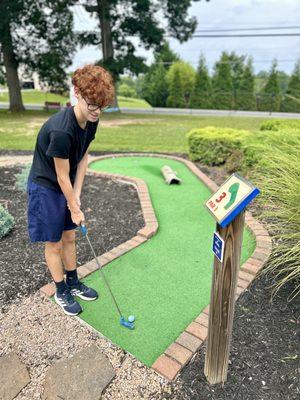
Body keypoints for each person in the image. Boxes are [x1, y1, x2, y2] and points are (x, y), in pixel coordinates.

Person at [26, 64, 115, 316]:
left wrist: (77, 194)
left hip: (65, 185)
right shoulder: (61, 131)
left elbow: (84, 157)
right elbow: (60, 175)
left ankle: (73, 281)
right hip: (47, 187)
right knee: (54, 242)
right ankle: (60, 289)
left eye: (102, 106)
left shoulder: (91, 119)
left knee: (70, 236)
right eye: (93, 104)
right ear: (77, 93)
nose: (98, 111)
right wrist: (74, 207)